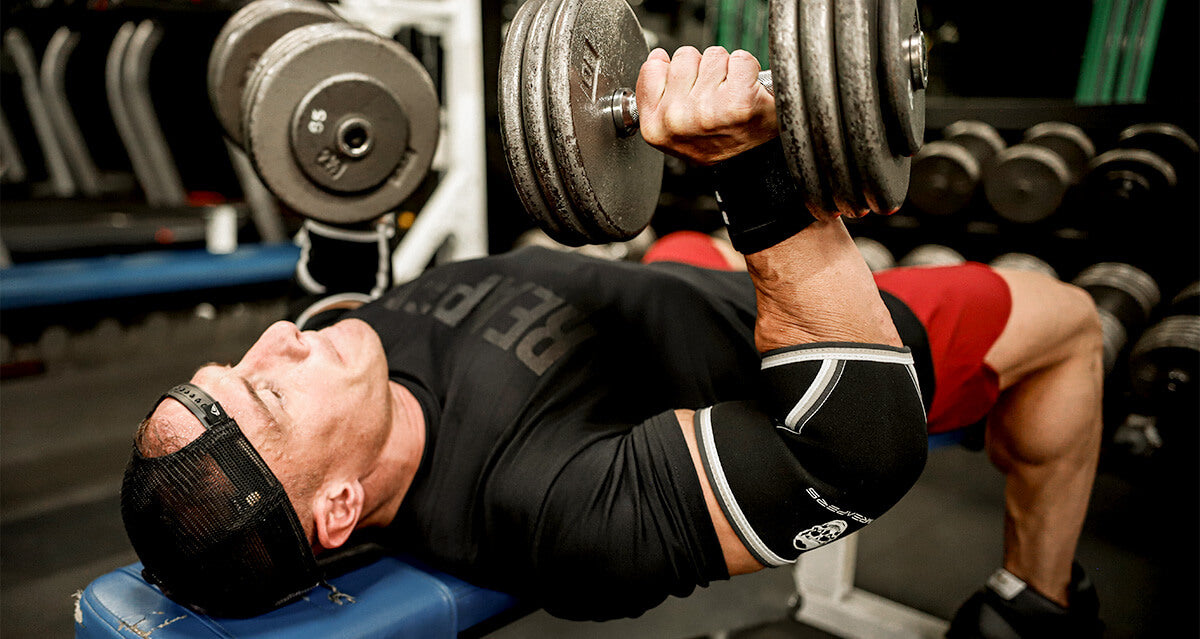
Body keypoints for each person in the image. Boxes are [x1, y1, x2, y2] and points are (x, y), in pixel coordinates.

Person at [119, 46, 1104, 637]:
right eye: (270, 394)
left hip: (665, 278)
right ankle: (1033, 604)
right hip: (774, 346)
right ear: (338, 509)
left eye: (241, 361)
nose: (282, 343)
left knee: (684, 241)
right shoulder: (546, 510)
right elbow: (851, 465)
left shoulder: (341, 363)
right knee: (1067, 322)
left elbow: (328, 289)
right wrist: (755, 176)